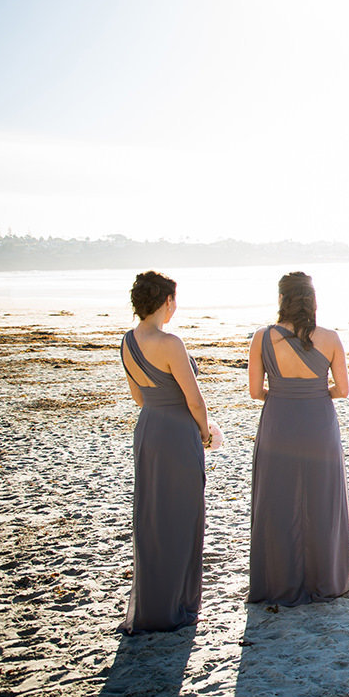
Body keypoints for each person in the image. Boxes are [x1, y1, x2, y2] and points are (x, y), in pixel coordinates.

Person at [247, 272, 349, 605]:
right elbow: (343, 390)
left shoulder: (261, 337)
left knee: (278, 499)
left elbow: (254, 392)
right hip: (318, 422)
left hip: (279, 421)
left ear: (282, 299)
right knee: (322, 499)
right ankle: (326, 579)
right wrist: (312, 393)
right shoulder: (331, 338)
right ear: (312, 299)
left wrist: (284, 394)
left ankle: (280, 582)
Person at [117, 271, 210, 632]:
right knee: (184, 515)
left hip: (149, 429)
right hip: (177, 432)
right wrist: (205, 432)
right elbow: (195, 400)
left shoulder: (127, 341)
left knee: (153, 515)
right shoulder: (171, 343)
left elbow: (138, 396)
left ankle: (152, 601)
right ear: (167, 301)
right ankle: (178, 603)